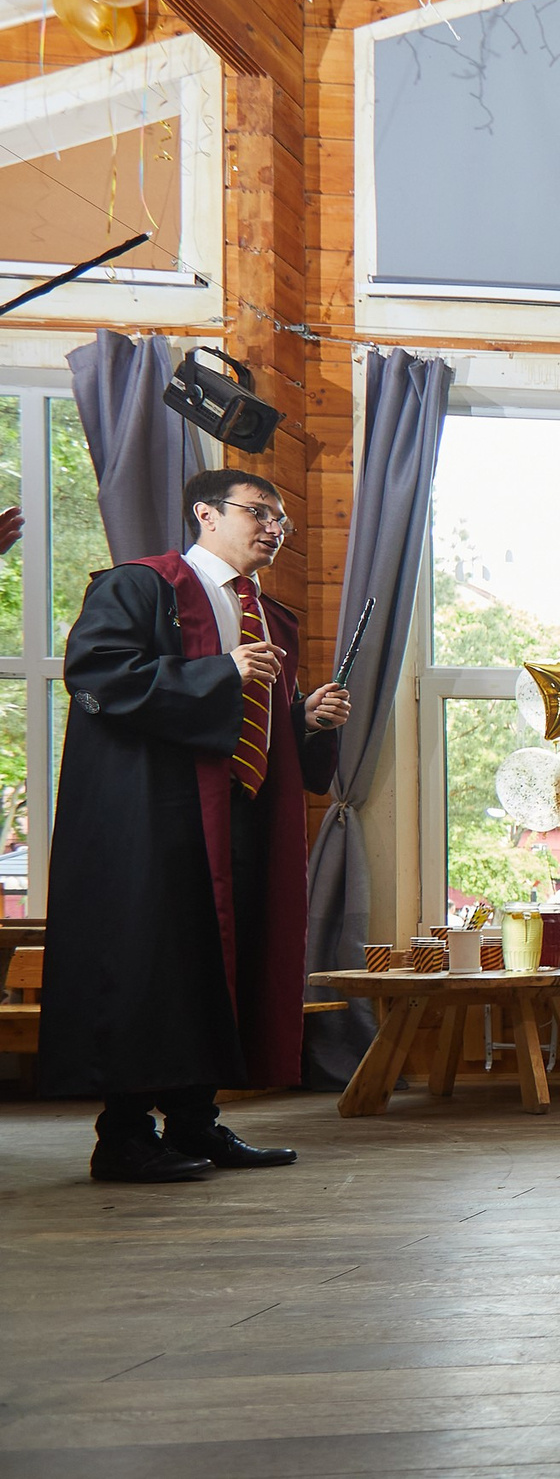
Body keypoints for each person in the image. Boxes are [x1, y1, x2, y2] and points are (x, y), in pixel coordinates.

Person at [38, 469, 349, 1183]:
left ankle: (194, 1121)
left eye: (281, 519)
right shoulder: (141, 586)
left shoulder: (270, 616)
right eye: (259, 512)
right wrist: (221, 672)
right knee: (150, 965)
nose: (274, 527)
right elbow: (97, 677)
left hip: (239, 815)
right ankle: (123, 1136)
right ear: (205, 513)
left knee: (220, 965)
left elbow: (254, 723)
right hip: (154, 816)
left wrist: (304, 721)